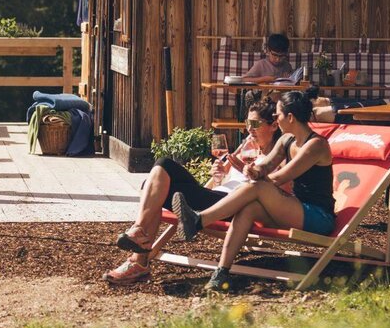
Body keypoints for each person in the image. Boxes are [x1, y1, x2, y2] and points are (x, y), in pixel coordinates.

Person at [103, 101, 284, 286]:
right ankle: (138, 236)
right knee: (158, 176)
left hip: (232, 206)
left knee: (162, 171)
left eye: (254, 124)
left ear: (274, 125)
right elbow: (223, 180)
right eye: (247, 124)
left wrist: (252, 172)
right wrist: (218, 176)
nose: (249, 130)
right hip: (215, 197)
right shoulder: (247, 147)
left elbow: (276, 191)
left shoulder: (281, 155)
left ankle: (138, 260)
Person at [171, 89, 336, 292]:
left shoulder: (316, 145)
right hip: (296, 208)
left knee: (256, 188)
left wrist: (257, 177)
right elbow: (266, 166)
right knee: (248, 208)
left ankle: (198, 220)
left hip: (318, 216)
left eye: (277, 115)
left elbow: (281, 176)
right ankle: (221, 272)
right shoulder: (286, 140)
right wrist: (252, 169)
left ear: (290, 117)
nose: (275, 119)